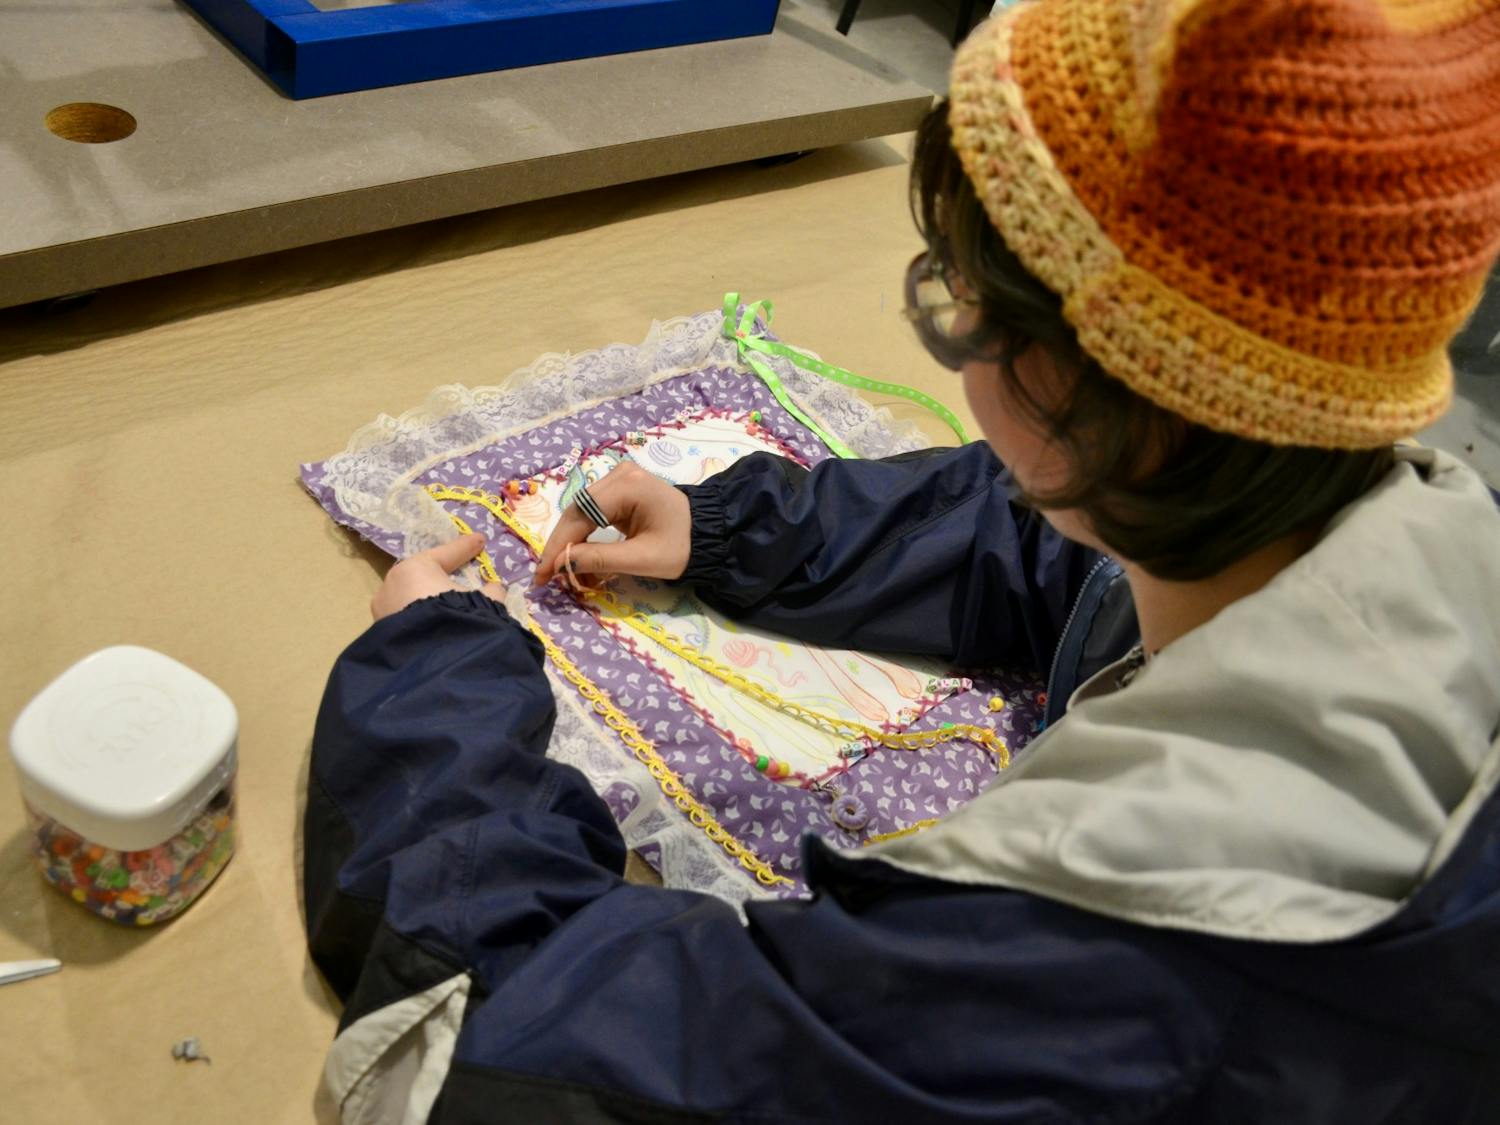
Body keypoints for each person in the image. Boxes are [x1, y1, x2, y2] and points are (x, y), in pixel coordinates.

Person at [303, 0, 1500, 1120]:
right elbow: (1045, 544)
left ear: (1091, 381)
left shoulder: (1086, 946)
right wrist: (728, 530)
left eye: (957, 299)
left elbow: (497, 1034)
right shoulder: (1385, 531)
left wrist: (434, 670)